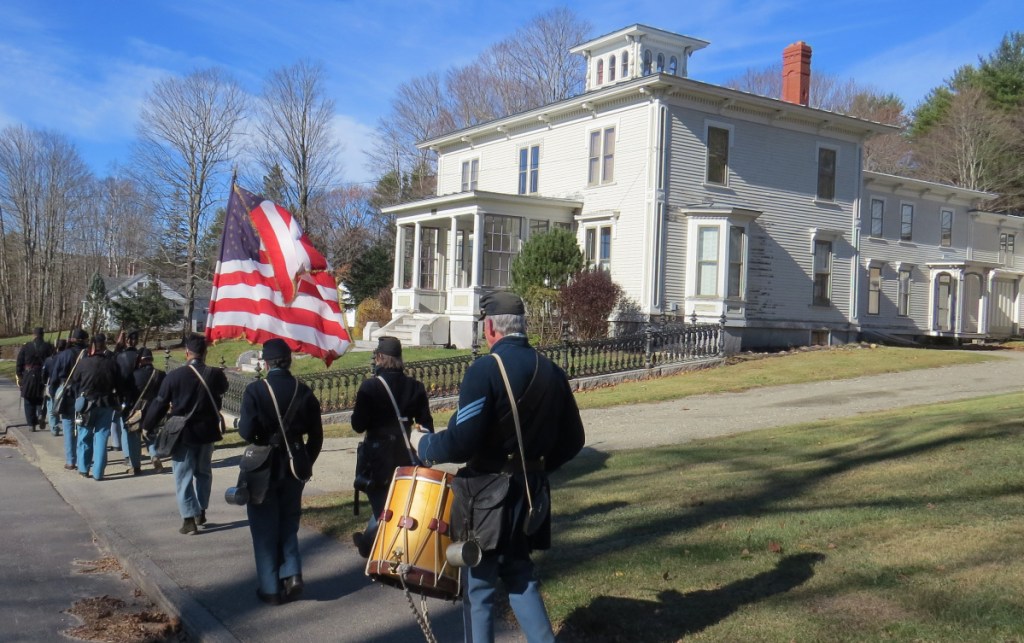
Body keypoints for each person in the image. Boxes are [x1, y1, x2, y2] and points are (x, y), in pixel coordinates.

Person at [413, 292, 585, 643]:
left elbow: (462, 442)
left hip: (487, 496)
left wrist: (424, 445)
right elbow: (574, 440)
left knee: (479, 586)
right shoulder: (551, 370)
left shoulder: (486, 369)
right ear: (521, 326)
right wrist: (534, 468)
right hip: (531, 491)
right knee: (521, 575)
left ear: (490, 327)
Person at [238, 338, 324, 606]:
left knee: (264, 527)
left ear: (265, 362)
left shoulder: (256, 390)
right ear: (289, 360)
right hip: (295, 463)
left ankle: (270, 588)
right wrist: (305, 460)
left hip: (263, 464)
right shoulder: (304, 390)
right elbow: (317, 436)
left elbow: (245, 432)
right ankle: (293, 572)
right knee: (289, 522)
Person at [349, 335, 434, 558]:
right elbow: (426, 424)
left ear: (378, 357)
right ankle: (368, 542)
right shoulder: (415, 386)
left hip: (377, 456)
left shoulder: (370, 387)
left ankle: (377, 548)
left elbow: (358, 425)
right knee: (392, 504)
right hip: (407, 455)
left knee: (384, 509)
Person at [142, 335, 228, 535]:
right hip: (207, 430)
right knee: (204, 472)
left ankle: (189, 518)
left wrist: (148, 425)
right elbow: (223, 389)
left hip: (183, 432)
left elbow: (160, 403)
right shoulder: (214, 374)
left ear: (187, 353)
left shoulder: (175, 375)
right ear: (205, 354)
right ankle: (202, 510)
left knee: (183, 475)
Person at [66, 333, 120, 481]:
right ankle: (98, 472)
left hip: (87, 404)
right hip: (106, 402)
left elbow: (74, 381)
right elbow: (118, 384)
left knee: (85, 435)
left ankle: (83, 468)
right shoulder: (111, 363)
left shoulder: (84, 363)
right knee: (102, 437)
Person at [50, 329, 88, 470]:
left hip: (66, 392)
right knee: (83, 426)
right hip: (84, 392)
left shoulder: (64, 355)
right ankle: (83, 459)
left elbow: (54, 377)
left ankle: (71, 460)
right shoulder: (87, 355)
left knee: (68, 426)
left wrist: (54, 393)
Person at [131, 347, 166, 472]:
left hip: (138, 409)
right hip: (155, 408)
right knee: (150, 434)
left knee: (134, 436)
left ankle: (135, 465)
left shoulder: (134, 374)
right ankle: (154, 455)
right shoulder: (161, 374)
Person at [113, 331, 142, 475]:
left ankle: (129, 456)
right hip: (139, 395)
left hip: (123, 395)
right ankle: (135, 458)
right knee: (135, 428)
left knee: (126, 427)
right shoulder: (140, 356)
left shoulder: (119, 357)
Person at [16, 327, 54, 431]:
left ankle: (31, 424)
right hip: (42, 374)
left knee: (28, 400)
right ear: (42, 335)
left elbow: (19, 362)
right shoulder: (48, 347)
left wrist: (19, 375)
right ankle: (41, 414)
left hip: (28, 375)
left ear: (34, 335)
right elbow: (52, 361)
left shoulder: (26, 346)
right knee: (40, 398)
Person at [42, 338, 68, 437]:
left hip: (53, 385)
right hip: (64, 384)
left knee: (52, 408)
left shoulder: (49, 360)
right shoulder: (66, 358)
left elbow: (44, 374)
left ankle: (54, 428)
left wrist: (45, 383)